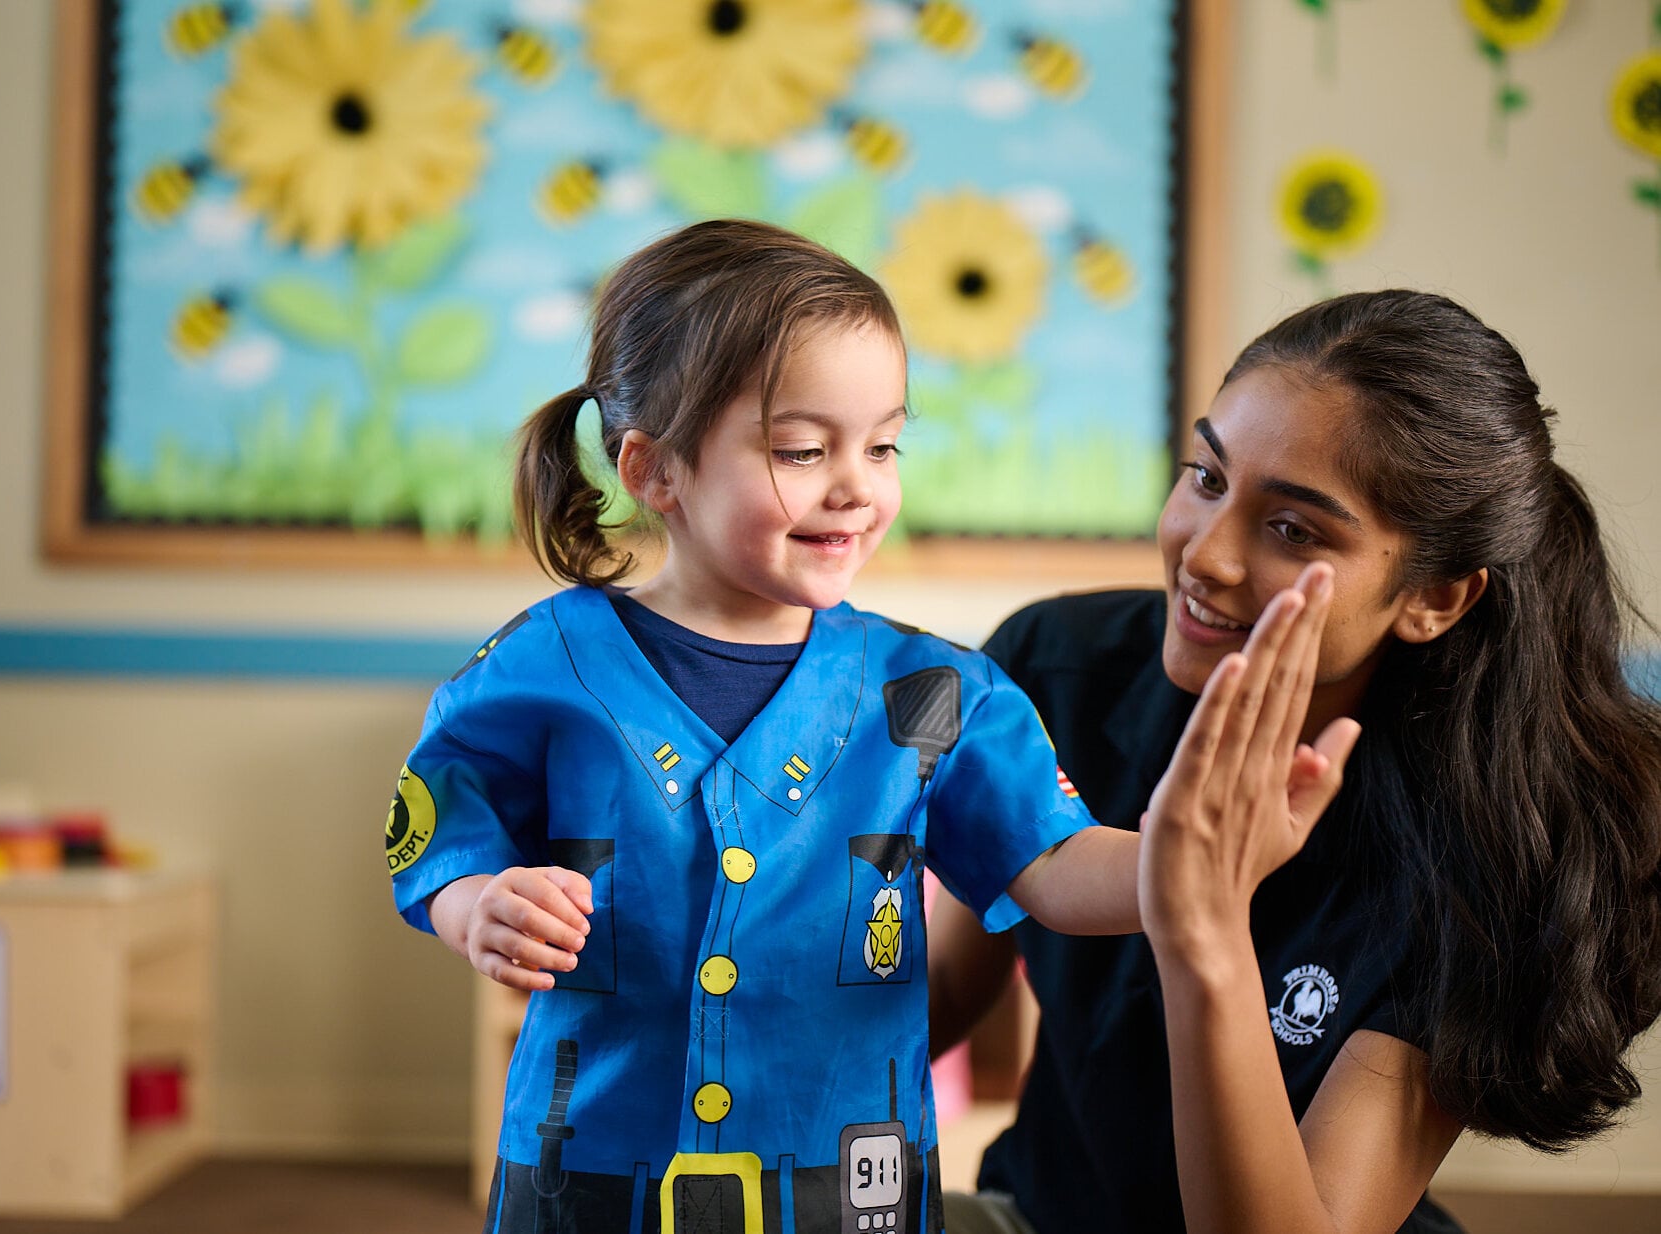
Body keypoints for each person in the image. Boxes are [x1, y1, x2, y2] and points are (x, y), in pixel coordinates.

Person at [383, 218, 1350, 1234]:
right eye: (801, 449)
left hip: (843, 1185)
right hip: (592, 1169)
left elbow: (1054, 864)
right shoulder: (543, 664)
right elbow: (438, 830)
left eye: (882, 444)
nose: (856, 485)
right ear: (653, 468)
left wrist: (1186, 859)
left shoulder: (937, 690)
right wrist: (477, 904)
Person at [929, 289, 1661, 1234]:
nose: (1208, 556)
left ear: (1433, 597)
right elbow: (943, 989)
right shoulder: (1051, 671)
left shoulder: (1491, 852)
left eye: (1292, 531)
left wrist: (1203, 927)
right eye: (1205, 477)